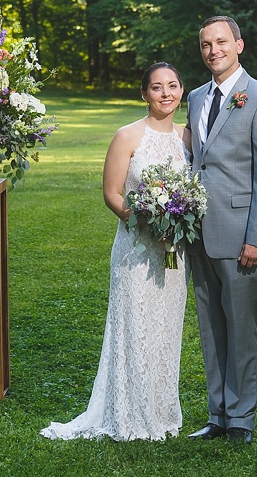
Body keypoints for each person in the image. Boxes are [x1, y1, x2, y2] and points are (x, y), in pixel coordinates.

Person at [40, 62, 191, 442]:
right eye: (156, 87)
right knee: (135, 326)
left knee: (166, 331)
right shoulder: (127, 136)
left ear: (182, 90)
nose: (166, 93)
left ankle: (160, 413)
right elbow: (111, 193)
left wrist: (175, 227)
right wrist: (145, 224)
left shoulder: (188, 138)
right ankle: (128, 415)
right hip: (136, 249)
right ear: (144, 94)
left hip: (174, 253)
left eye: (172, 85)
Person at [186, 16, 257, 444]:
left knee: (241, 331)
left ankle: (242, 419)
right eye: (206, 44)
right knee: (211, 328)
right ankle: (217, 415)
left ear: (239, 45)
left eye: (221, 42)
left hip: (242, 235)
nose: (214, 50)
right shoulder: (193, 97)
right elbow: (196, 160)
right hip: (198, 236)